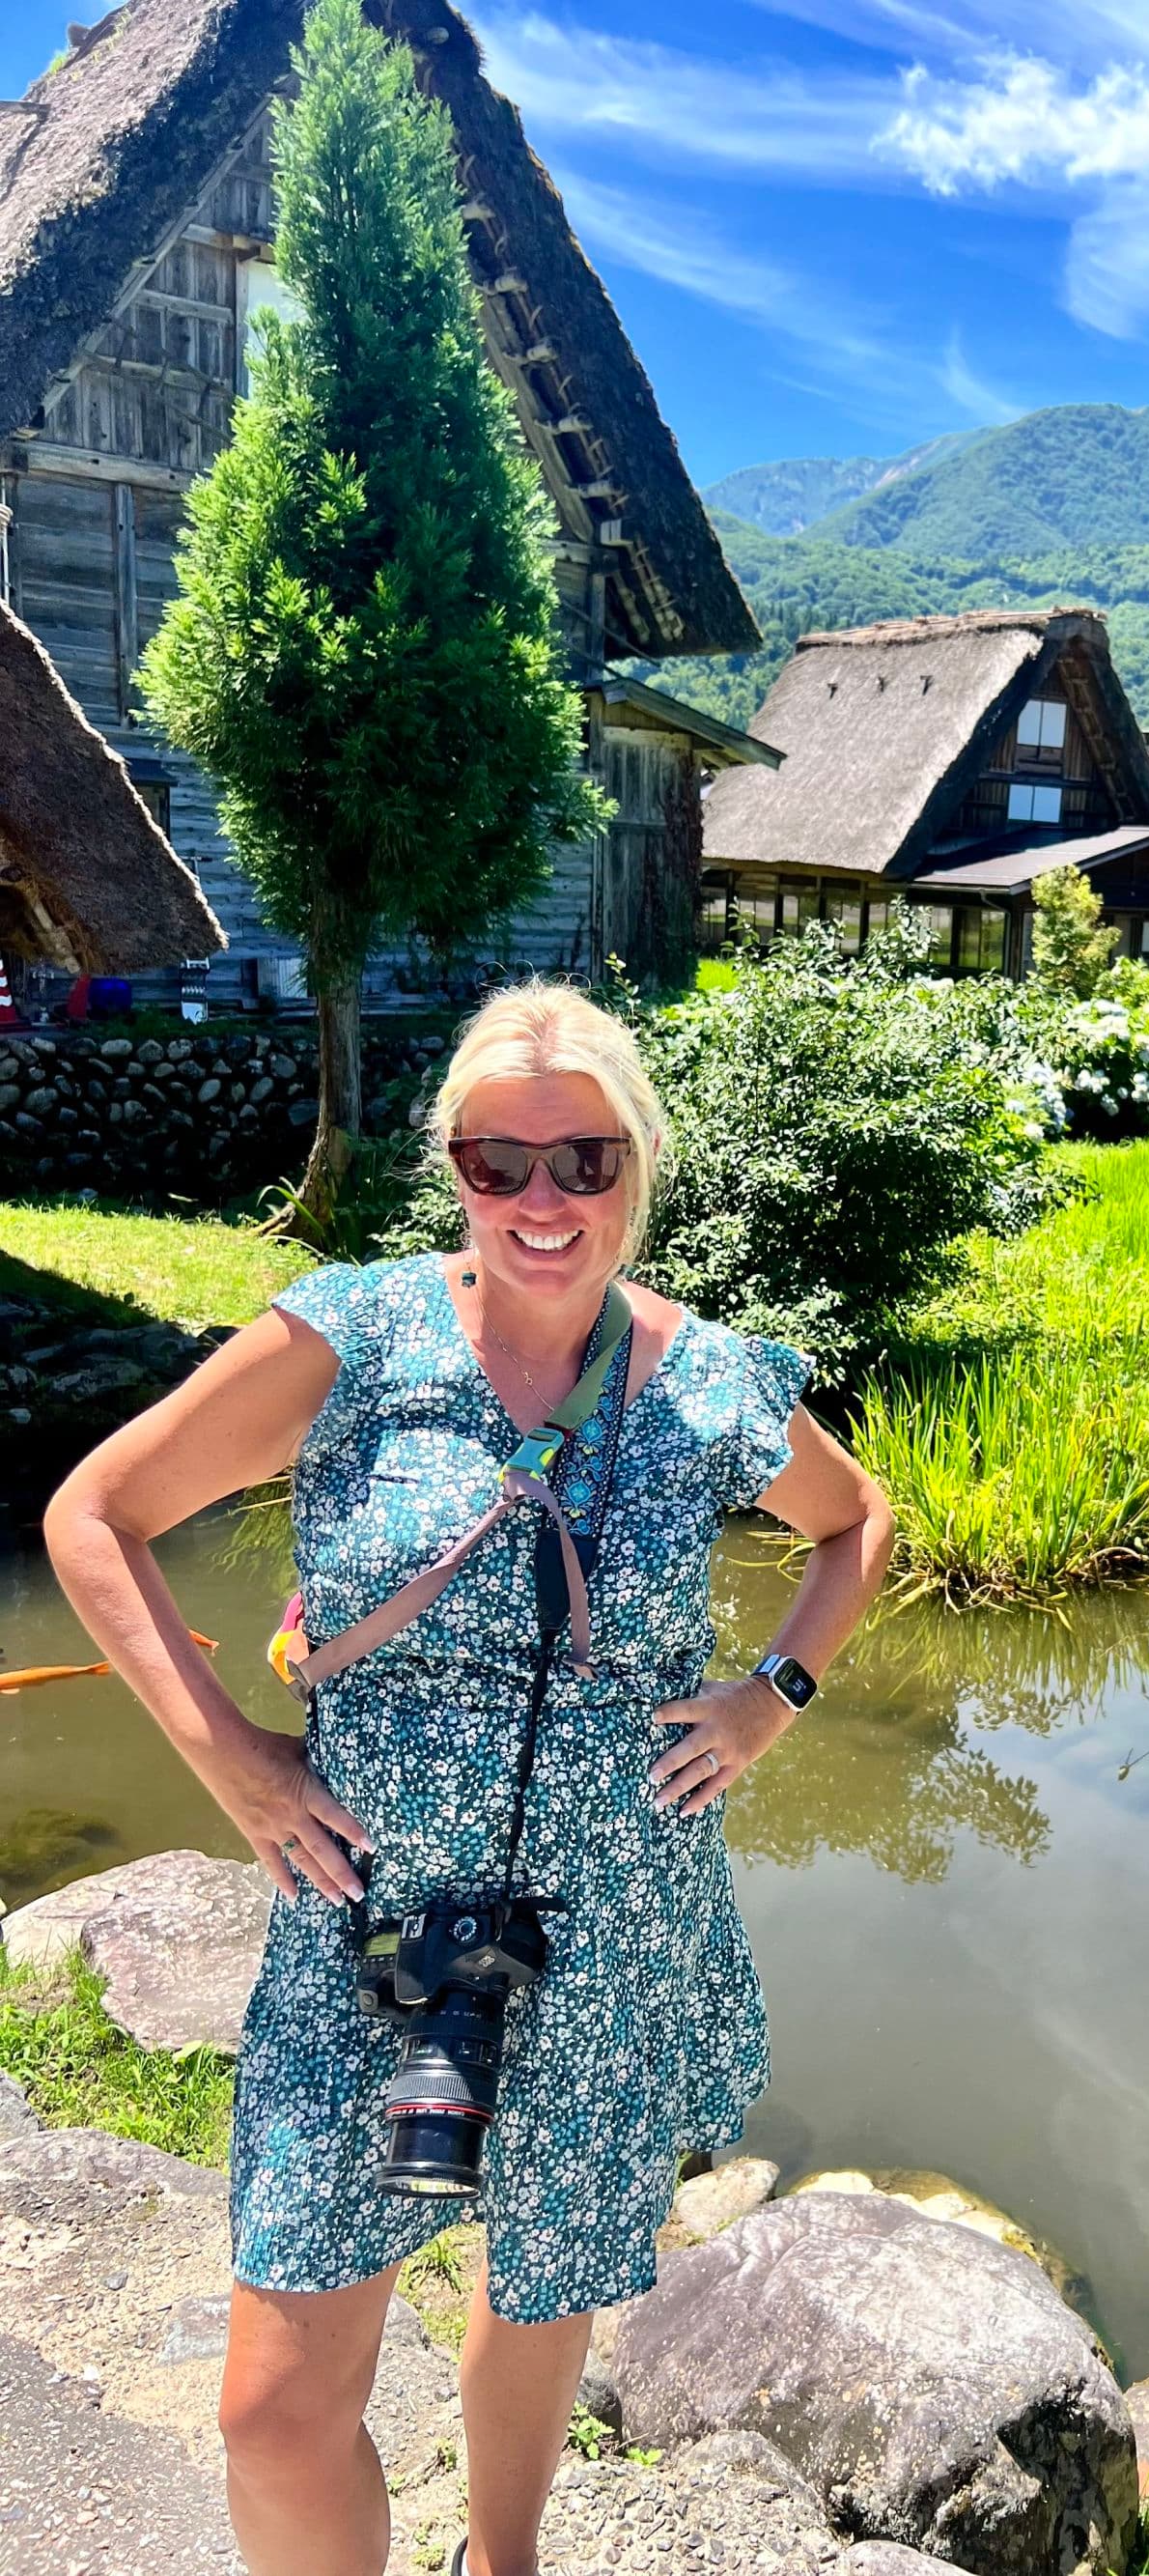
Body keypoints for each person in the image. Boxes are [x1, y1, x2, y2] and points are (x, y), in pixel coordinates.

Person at [44, 980, 894, 2576]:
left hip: (615, 1919)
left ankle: (500, 2561)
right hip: (367, 1923)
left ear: (640, 1164)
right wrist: (233, 1763)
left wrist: (770, 1698)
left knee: (542, 2276)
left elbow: (857, 1523)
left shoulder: (711, 1380)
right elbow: (96, 1516)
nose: (541, 1198)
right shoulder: (353, 1338)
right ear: (452, 1167)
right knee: (273, 2411)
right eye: (497, 1160)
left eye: (584, 1159)